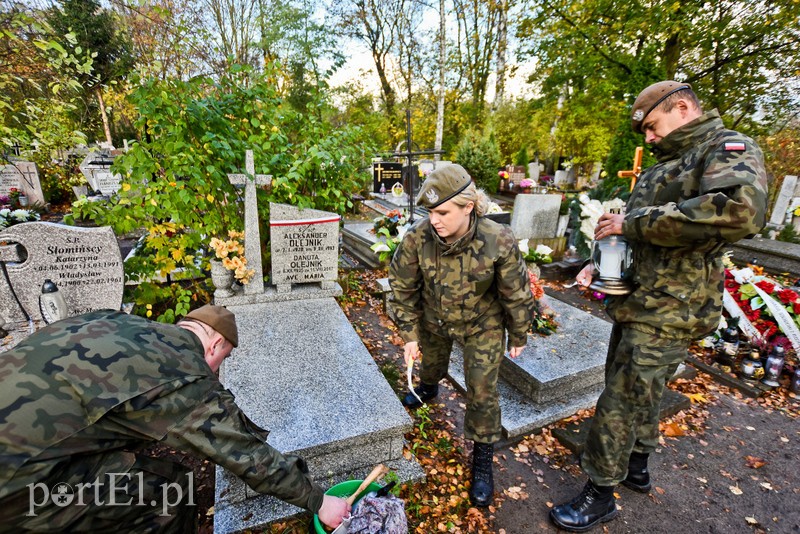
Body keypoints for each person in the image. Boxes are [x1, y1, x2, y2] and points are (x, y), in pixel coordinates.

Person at [550, 81, 769, 531]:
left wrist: (635, 222)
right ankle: (636, 465)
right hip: (641, 301)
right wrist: (601, 266)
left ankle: (600, 492)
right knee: (639, 390)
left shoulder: (725, 148)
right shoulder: (671, 163)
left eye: (652, 127)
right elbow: (643, 238)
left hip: (672, 306)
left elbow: (739, 212)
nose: (647, 138)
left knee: (622, 399)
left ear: (683, 107)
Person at [0, 304, 350, 532]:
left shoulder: (113, 321)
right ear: (214, 348)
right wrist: (318, 500)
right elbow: (247, 455)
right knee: (170, 492)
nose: (216, 371)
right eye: (221, 362)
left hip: (23, 437)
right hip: (14, 484)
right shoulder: (184, 374)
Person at [389, 164, 535, 507]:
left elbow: (515, 290)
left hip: (482, 322)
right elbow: (402, 288)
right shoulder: (418, 237)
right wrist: (409, 334)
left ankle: (482, 457)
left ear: (468, 206)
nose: (435, 220)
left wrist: (519, 332)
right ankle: (427, 388)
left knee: (483, 391)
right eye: (430, 212)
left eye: (443, 212)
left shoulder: (496, 239)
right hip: (435, 319)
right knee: (432, 363)